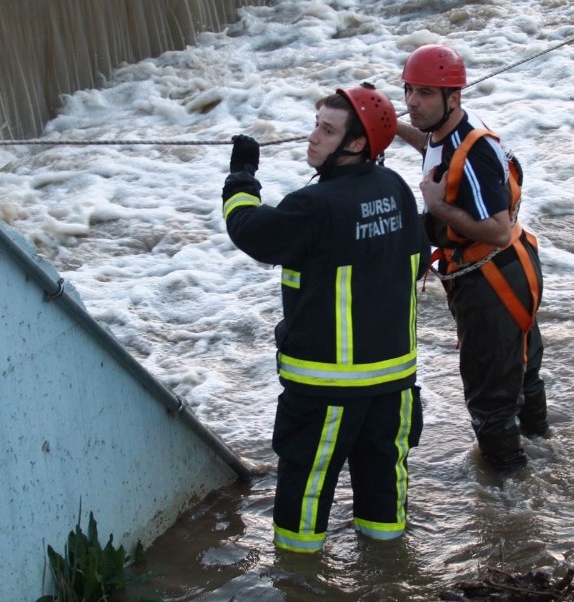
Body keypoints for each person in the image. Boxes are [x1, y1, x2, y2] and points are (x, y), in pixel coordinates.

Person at [221, 83, 429, 553]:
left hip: (326, 390)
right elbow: (418, 255)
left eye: (327, 130)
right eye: (316, 125)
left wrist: (241, 177)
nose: (312, 138)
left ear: (356, 144)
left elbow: (249, 231)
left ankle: (298, 580)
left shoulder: (313, 206)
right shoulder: (395, 188)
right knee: (384, 501)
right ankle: (388, 578)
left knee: (304, 503)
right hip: (394, 384)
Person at [396, 44, 548, 474]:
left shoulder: (474, 152)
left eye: (425, 93)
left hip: (491, 281)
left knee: (489, 402)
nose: (412, 102)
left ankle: (509, 503)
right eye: (408, 90)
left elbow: (497, 229)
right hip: (514, 270)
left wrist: (438, 208)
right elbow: (430, 146)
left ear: (453, 97)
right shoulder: (456, 127)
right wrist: (391, 128)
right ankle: (543, 455)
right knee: (523, 376)